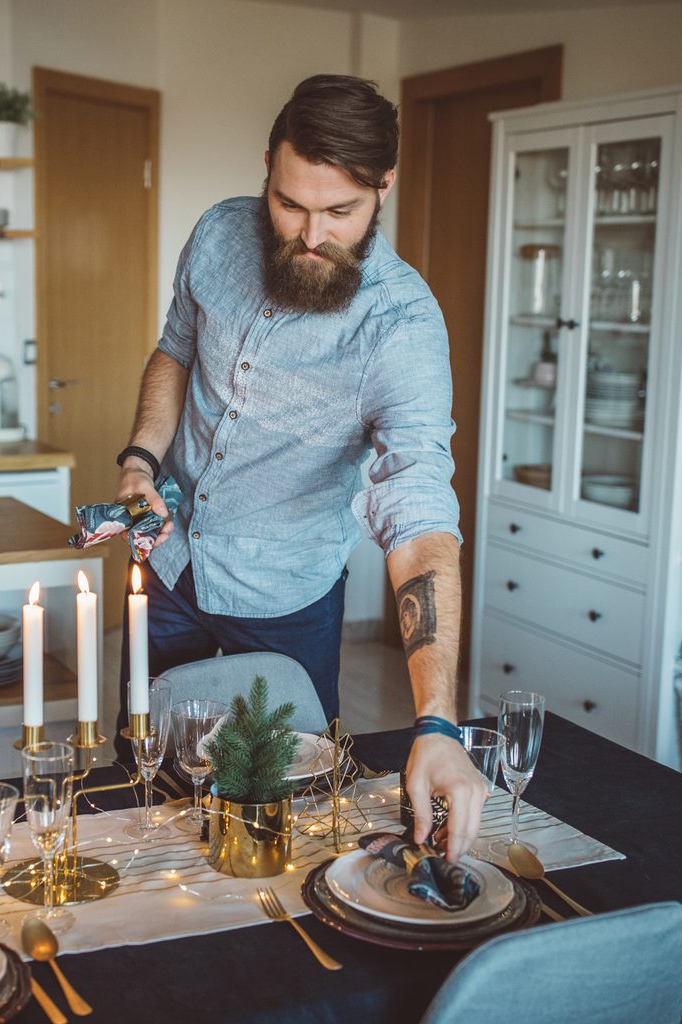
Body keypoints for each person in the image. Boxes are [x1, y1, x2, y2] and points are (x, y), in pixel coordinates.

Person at [114, 74, 487, 861]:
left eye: (340, 212)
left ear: (384, 186)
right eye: (289, 204)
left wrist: (436, 723)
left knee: (286, 817)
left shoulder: (401, 326)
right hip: (168, 561)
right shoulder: (219, 233)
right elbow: (175, 350)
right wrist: (141, 459)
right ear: (267, 170)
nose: (311, 235)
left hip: (287, 596)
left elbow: (418, 512)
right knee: (145, 788)